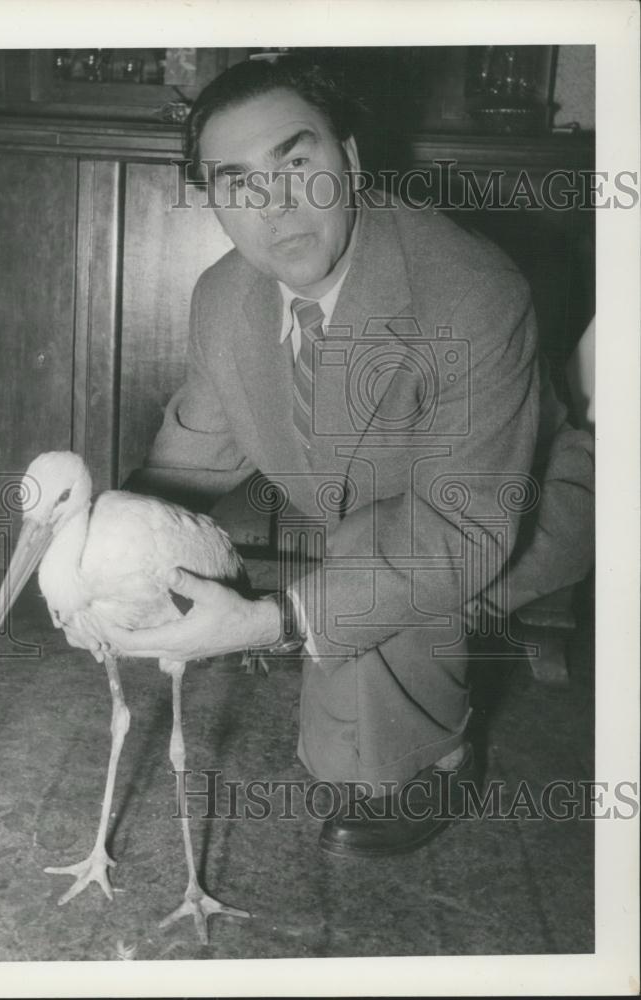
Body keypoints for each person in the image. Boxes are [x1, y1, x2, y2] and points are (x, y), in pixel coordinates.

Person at [108, 56, 594, 857]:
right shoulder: (223, 297)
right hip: (387, 513)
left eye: (298, 164)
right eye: (239, 184)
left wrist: (273, 621)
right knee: (360, 558)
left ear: (355, 163)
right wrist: (107, 556)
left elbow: (460, 534)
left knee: (370, 561)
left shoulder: (469, 289)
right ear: (214, 204)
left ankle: (436, 761)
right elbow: (187, 467)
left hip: (525, 510)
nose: (277, 207)